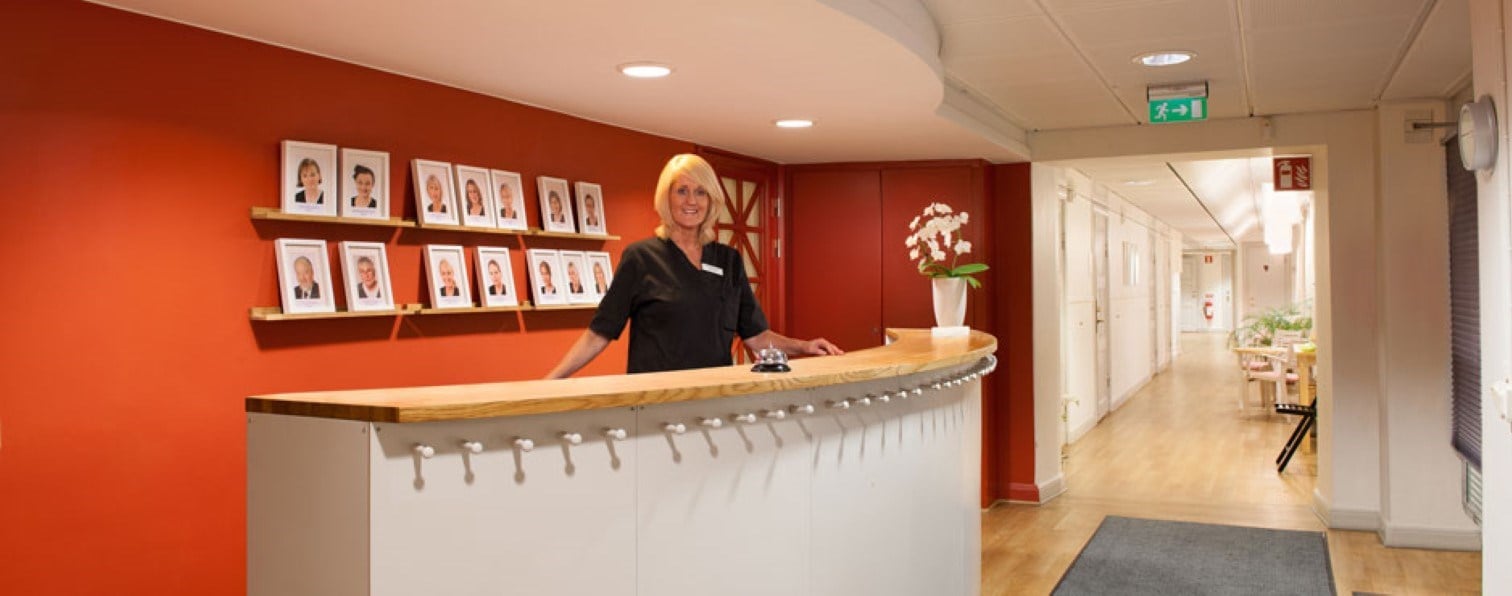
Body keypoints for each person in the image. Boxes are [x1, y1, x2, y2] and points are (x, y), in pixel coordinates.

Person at [547, 154, 841, 377]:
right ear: (667, 197)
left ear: (711, 200)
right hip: (655, 401)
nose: (692, 201)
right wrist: (551, 381)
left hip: (714, 396)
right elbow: (600, 333)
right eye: (682, 191)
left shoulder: (728, 260)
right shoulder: (641, 258)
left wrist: (804, 346)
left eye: (701, 192)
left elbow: (756, 337)